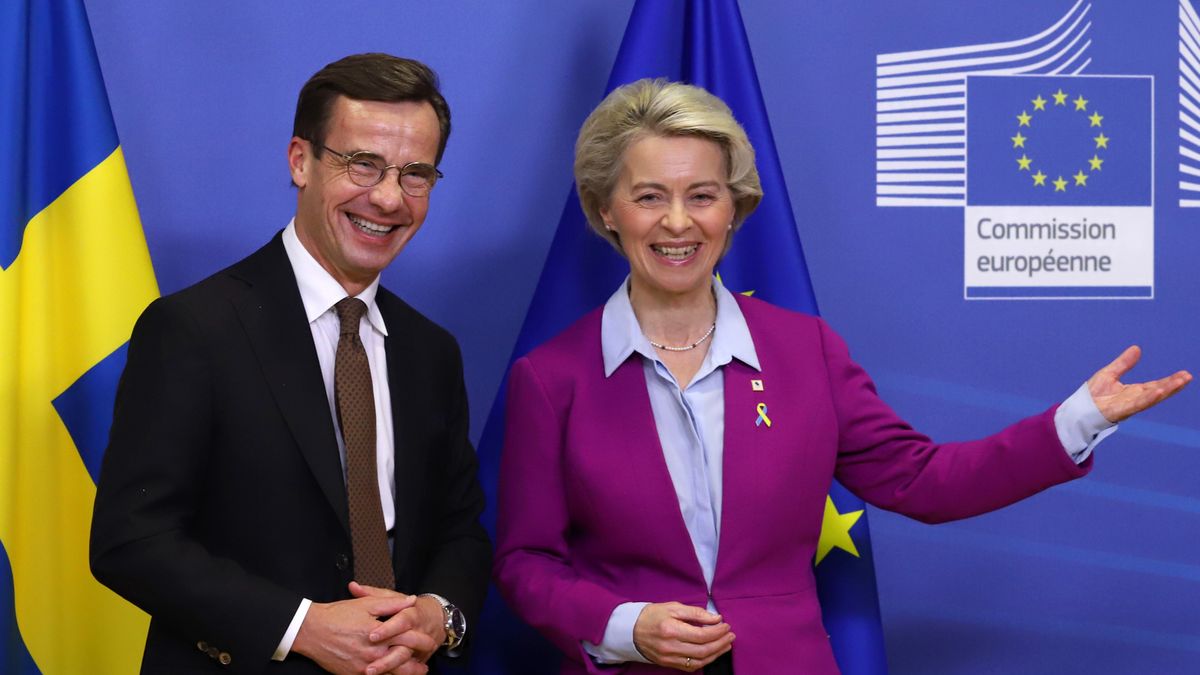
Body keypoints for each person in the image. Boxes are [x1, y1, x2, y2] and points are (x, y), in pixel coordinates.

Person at [491, 78, 1191, 675]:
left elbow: (925, 480)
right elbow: (526, 561)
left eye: (701, 194)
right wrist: (624, 624)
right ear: (606, 208)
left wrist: (1078, 419)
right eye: (649, 196)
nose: (678, 221)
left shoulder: (806, 352)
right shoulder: (552, 378)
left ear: (734, 206)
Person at [90, 53, 490, 675]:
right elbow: (131, 540)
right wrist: (299, 627)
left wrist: (438, 615)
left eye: (415, 174)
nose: (388, 198)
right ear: (300, 161)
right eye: (363, 164)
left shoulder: (431, 351)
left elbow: (460, 530)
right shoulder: (193, 330)